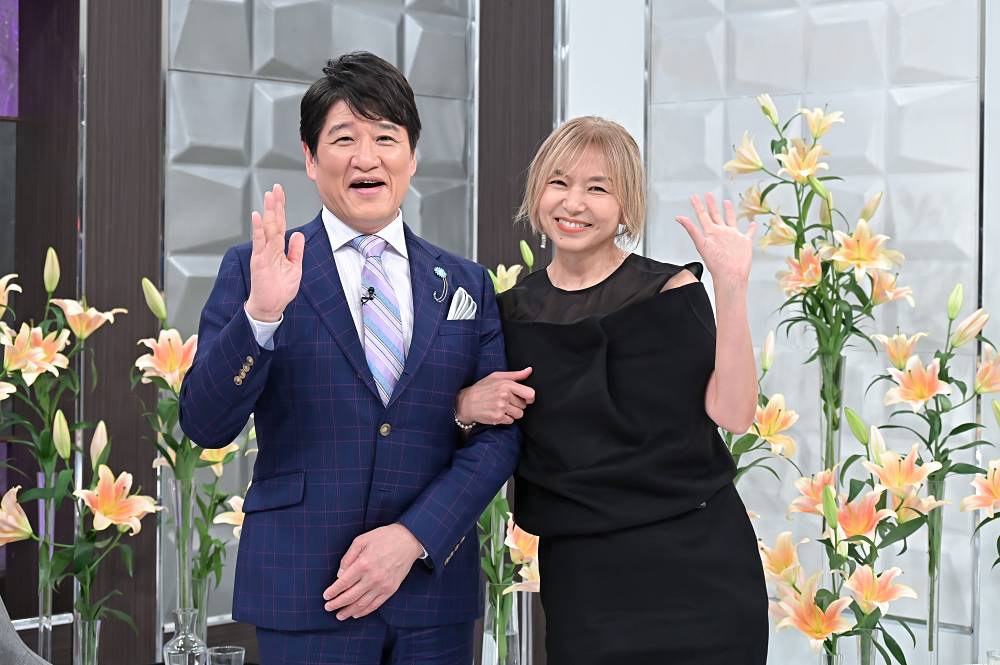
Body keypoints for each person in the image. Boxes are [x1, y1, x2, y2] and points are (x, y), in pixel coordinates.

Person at [179, 52, 520, 665]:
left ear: (412, 156)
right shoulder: (257, 269)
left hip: (432, 598)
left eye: (386, 137)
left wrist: (413, 536)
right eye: (344, 138)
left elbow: (500, 435)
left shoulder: (465, 283)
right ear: (311, 158)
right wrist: (261, 316)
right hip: (307, 589)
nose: (367, 157)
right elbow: (204, 423)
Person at [454, 116, 768, 664]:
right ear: (537, 193)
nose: (573, 202)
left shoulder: (670, 291)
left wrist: (732, 287)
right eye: (559, 183)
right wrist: (463, 405)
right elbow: (472, 428)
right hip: (585, 582)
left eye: (597, 188)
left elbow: (735, 413)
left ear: (626, 207)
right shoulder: (509, 314)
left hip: (701, 568)